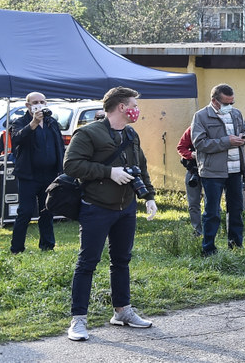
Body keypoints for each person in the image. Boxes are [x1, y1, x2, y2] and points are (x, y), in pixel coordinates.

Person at [64, 87, 158, 342]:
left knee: (122, 261)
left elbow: (141, 166)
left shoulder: (130, 133)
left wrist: (149, 196)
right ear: (120, 107)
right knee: (87, 263)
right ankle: (79, 320)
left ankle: (122, 311)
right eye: (133, 104)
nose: (136, 109)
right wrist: (109, 172)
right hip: (96, 207)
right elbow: (71, 165)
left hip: (125, 207)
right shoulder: (88, 133)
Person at [192, 83, 245, 256]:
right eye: (226, 103)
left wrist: (244, 138)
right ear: (215, 101)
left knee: (236, 210)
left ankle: (236, 246)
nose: (230, 106)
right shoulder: (201, 116)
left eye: (232, 102)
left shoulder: (236, 113)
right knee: (212, 212)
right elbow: (199, 143)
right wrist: (227, 141)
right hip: (212, 172)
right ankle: (208, 249)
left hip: (235, 170)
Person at [9, 92, 65, 254]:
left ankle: (47, 246)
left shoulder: (51, 122)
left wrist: (61, 169)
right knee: (25, 211)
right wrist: (34, 123)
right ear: (28, 105)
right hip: (28, 175)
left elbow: (59, 145)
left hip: (49, 175)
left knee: (47, 211)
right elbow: (17, 139)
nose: (39, 105)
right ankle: (17, 248)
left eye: (42, 102)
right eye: (35, 102)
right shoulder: (20, 122)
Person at [175, 126, 202, 235]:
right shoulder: (192, 129)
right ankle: (197, 230)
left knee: (213, 203)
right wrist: (191, 155)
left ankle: (214, 229)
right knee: (193, 203)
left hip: (211, 171)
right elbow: (181, 147)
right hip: (193, 171)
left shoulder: (215, 128)